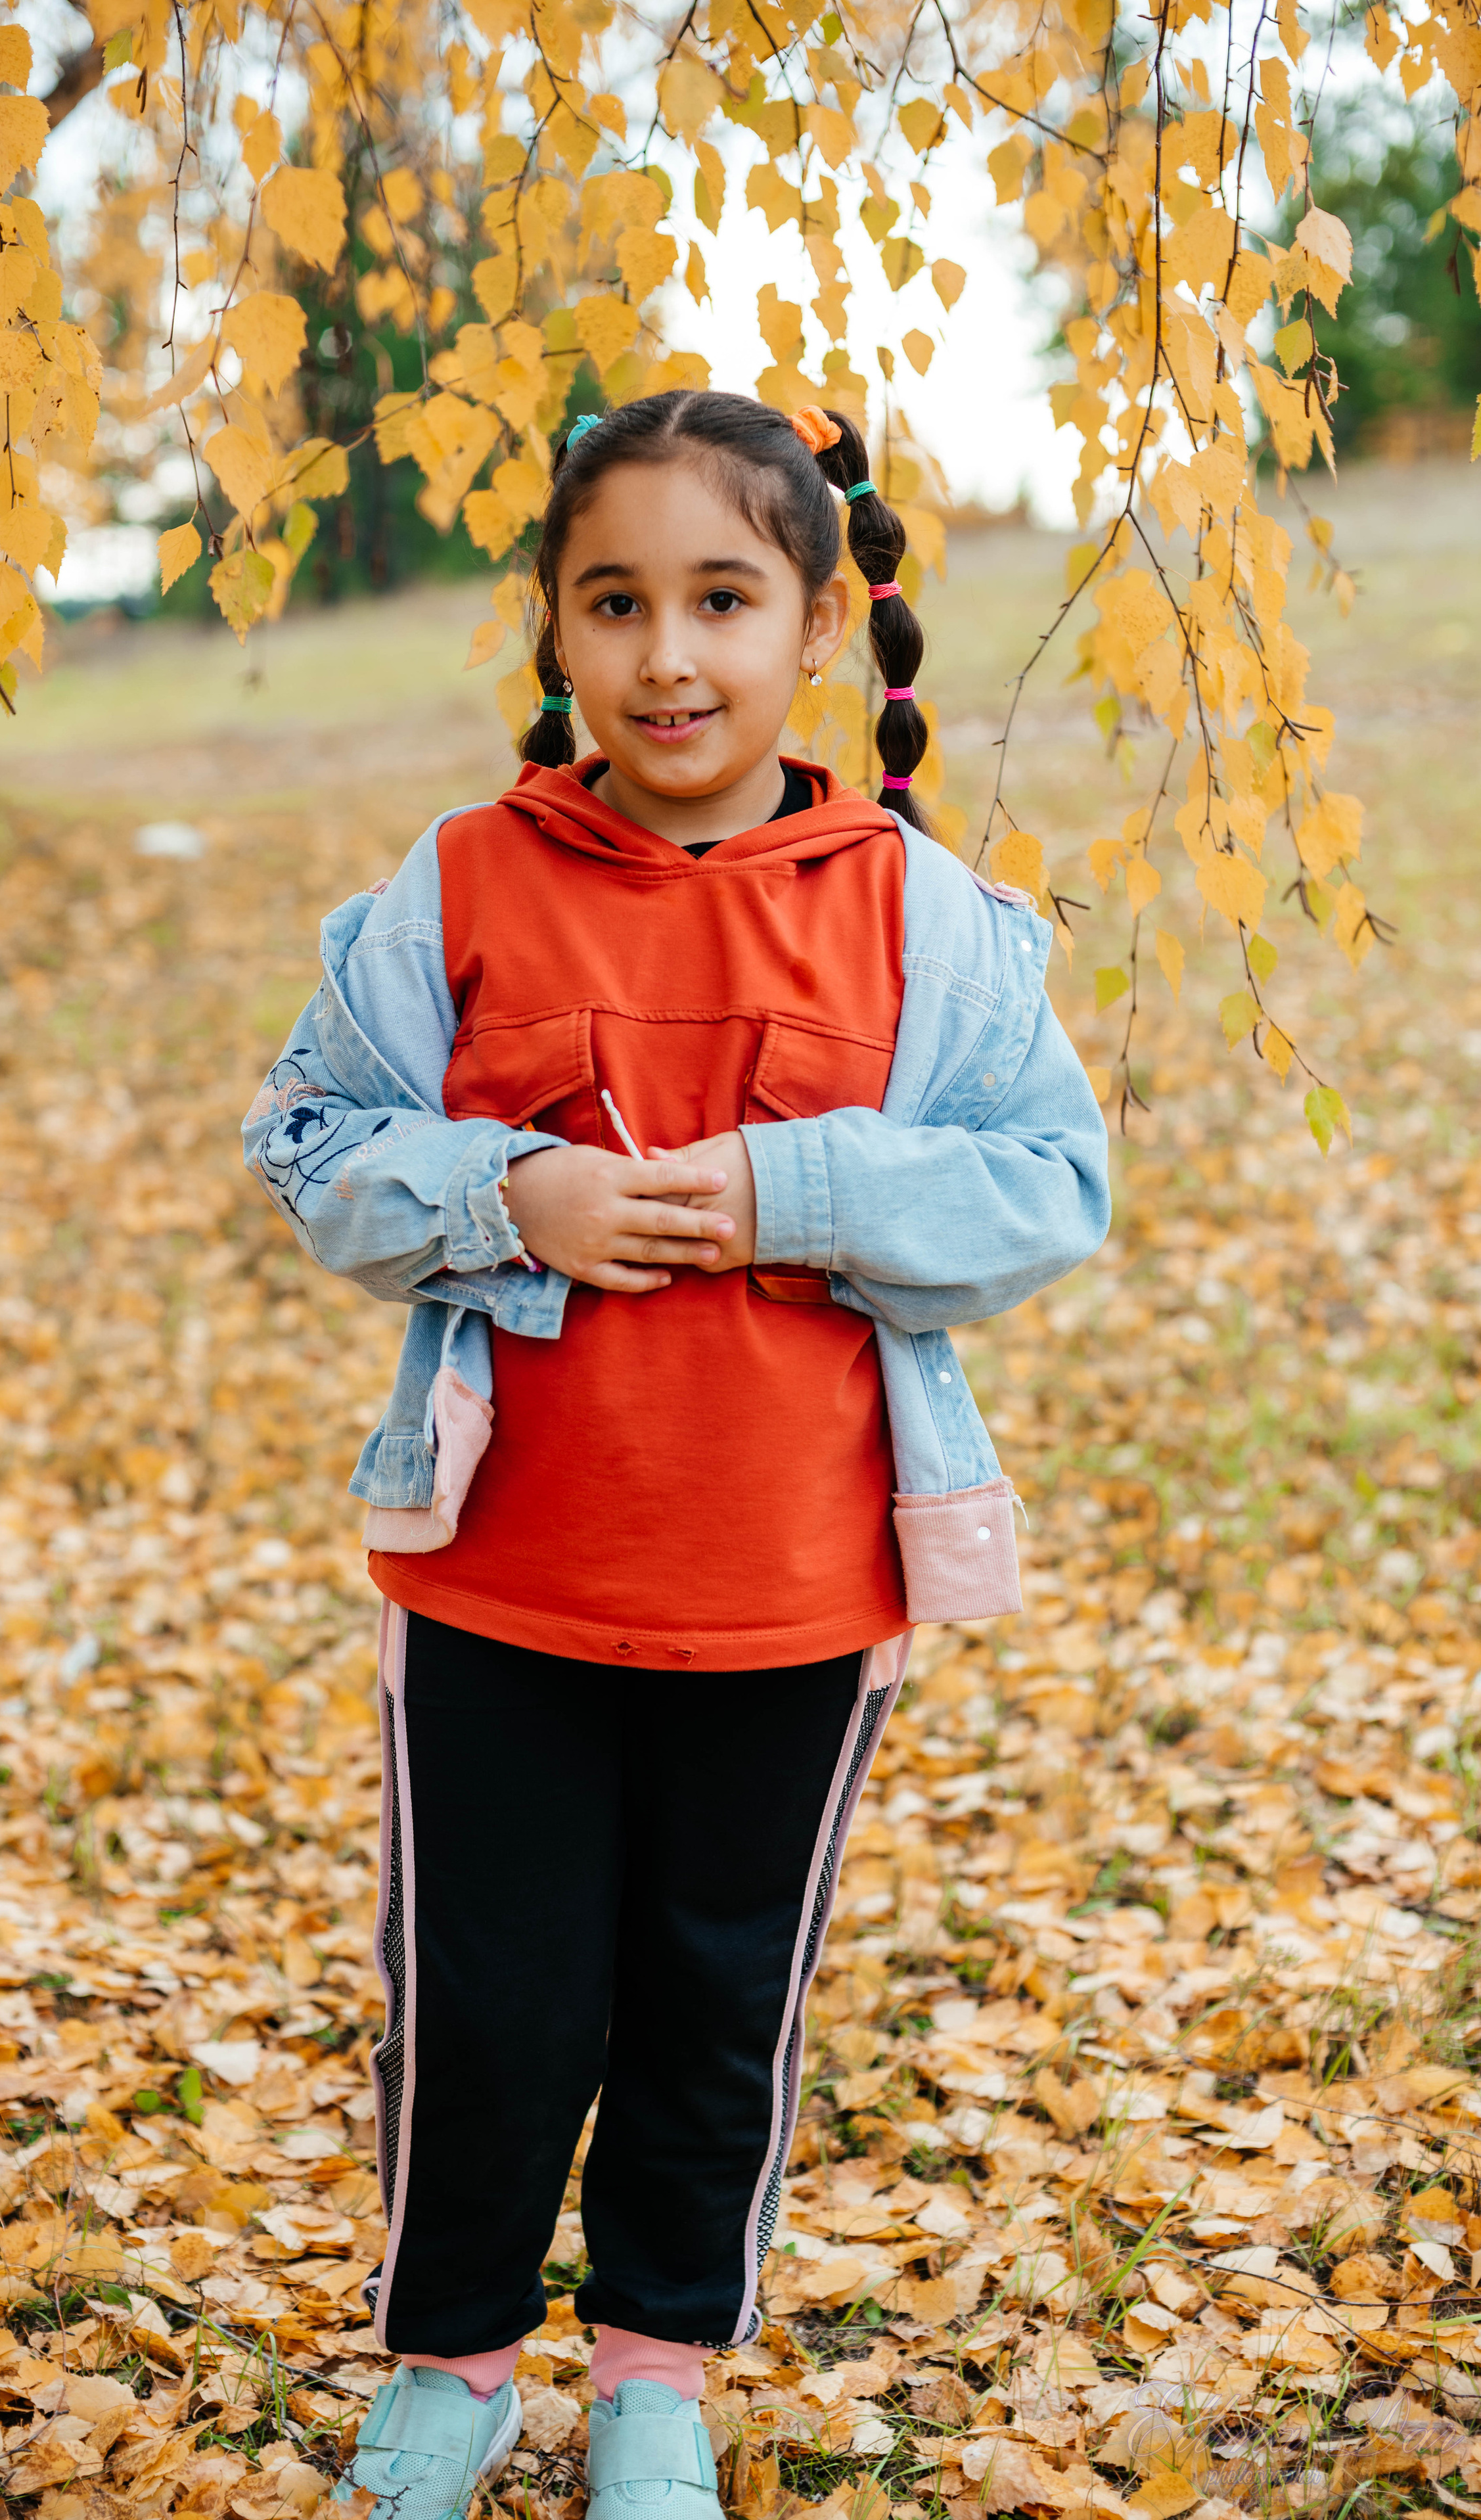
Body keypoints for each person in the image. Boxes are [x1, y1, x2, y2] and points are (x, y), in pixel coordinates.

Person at [243, 389, 1109, 2520]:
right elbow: (311, 1136)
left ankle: (654, 2377)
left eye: (724, 599)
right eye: (614, 603)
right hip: (504, 1585)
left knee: (721, 1999)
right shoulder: (459, 888)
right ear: (554, 625)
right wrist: (503, 1192)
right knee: (491, 2001)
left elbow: (1048, 1187)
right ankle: (451, 2365)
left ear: (818, 623)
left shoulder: (922, 918)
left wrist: (803, 1191)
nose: (669, 656)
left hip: (794, 1594)